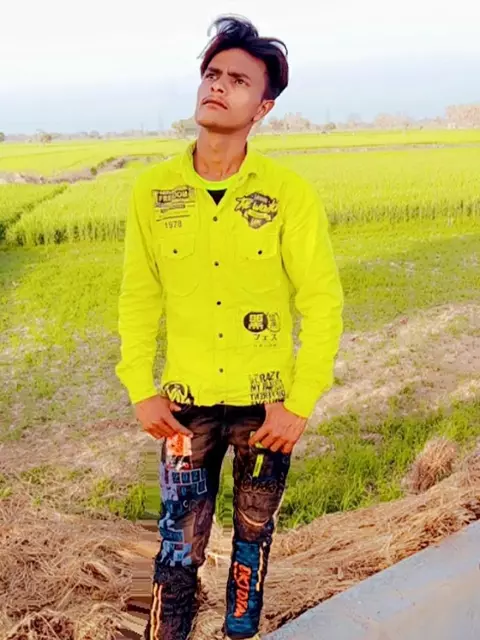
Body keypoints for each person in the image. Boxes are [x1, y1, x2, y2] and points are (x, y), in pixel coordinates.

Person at [115, 14, 344, 640]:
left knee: (252, 542)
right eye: (212, 74)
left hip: (264, 411)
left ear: (263, 107)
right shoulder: (153, 191)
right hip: (183, 408)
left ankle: (240, 633)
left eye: (238, 80)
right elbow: (138, 297)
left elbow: (322, 302)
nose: (218, 85)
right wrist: (140, 387)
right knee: (176, 546)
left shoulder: (288, 194)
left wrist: (301, 402)